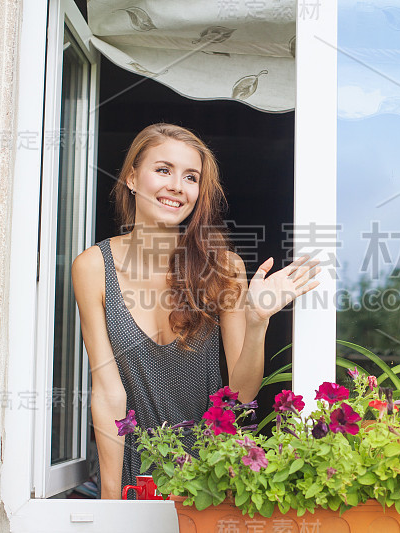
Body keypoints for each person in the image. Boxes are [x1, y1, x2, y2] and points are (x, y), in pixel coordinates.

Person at [71, 123, 320, 500]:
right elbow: (108, 393)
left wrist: (256, 323)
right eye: (163, 170)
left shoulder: (224, 267)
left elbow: (240, 395)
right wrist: (112, 496)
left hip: (210, 474)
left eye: (191, 177)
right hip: (134, 472)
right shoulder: (93, 267)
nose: (177, 186)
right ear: (132, 177)